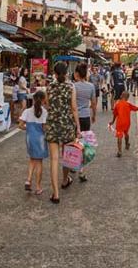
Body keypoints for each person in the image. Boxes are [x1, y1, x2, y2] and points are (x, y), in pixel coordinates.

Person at [45, 62, 80, 204]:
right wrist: (77, 126)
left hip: (53, 124)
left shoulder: (49, 87)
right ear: (66, 74)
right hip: (67, 125)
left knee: (54, 159)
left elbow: (47, 105)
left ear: (54, 73)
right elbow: (74, 108)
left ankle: (56, 193)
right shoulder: (71, 87)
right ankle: (65, 180)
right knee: (66, 156)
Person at [20, 91, 48, 195]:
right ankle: (38, 187)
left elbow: (20, 125)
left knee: (32, 159)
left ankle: (28, 180)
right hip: (40, 139)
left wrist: (28, 129)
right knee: (39, 162)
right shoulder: (44, 112)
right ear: (43, 100)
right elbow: (45, 128)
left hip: (29, 138)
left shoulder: (27, 111)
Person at [73, 63, 96, 182]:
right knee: (84, 143)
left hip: (75, 117)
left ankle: (72, 163)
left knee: (74, 141)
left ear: (77, 73)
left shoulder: (73, 86)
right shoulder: (91, 86)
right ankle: (81, 170)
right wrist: (94, 115)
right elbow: (93, 103)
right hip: (86, 116)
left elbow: (71, 105)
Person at [109, 92, 138, 157]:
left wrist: (112, 121)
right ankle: (127, 144)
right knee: (126, 133)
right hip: (127, 123)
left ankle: (119, 151)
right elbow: (137, 108)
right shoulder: (128, 104)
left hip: (120, 123)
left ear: (121, 96)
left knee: (119, 136)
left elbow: (115, 114)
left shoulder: (117, 104)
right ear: (127, 98)